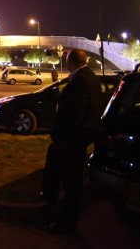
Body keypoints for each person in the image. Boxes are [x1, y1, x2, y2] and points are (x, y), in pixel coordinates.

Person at [41, 48, 103, 234]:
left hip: (71, 142)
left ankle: (64, 223)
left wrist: (62, 137)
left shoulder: (79, 83)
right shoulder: (92, 78)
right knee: (66, 179)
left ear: (71, 62)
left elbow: (73, 116)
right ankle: (57, 211)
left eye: (67, 60)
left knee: (70, 183)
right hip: (80, 139)